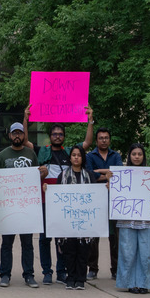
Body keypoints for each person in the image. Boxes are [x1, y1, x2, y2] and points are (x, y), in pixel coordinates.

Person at [35, 107, 95, 284]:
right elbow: (24, 142)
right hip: (46, 201)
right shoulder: (41, 151)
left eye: (60, 134)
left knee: (61, 238)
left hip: (64, 204)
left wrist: (90, 121)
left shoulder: (70, 152)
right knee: (45, 238)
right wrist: (25, 118)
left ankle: (61, 271)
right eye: (54, 134)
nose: (57, 136)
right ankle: (47, 272)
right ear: (50, 136)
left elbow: (87, 143)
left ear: (64, 136)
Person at [0, 122, 43, 288]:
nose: (17, 136)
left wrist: (43, 174)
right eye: (14, 133)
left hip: (27, 207)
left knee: (27, 243)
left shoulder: (31, 154)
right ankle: (5, 274)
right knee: (7, 243)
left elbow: (35, 178)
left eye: (20, 133)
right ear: (9, 135)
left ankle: (29, 275)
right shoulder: (2, 156)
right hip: (8, 207)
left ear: (24, 135)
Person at [114, 144, 150, 294]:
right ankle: (130, 283)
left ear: (143, 156)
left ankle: (144, 283)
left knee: (147, 254)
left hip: (148, 221)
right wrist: (110, 183)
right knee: (127, 252)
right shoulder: (121, 174)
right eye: (133, 154)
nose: (137, 156)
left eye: (139, 154)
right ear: (129, 156)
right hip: (127, 220)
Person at [84, 126, 122, 280]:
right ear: (97, 140)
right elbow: (89, 175)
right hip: (96, 202)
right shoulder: (90, 156)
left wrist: (99, 172)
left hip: (114, 202)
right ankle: (92, 268)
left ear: (109, 139)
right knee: (94, 237)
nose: (104, 140)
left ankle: (116, 269)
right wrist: (107, 174)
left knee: (115, 237)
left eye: (106, 138)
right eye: (101, 138)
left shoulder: (116, 155)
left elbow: (118, 175)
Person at [58, 145, 95, 290]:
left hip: (85, 219)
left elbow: (95, 196)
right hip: (68, 218)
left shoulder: (89, 175)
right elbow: (57, 197)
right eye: (73, 155)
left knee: (83, 250)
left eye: (79, 155)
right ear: (70, 157)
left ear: (83, 157)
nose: (76, 157)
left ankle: (80, 279)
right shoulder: (63, 175)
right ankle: (70, 277)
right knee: (69, 250)